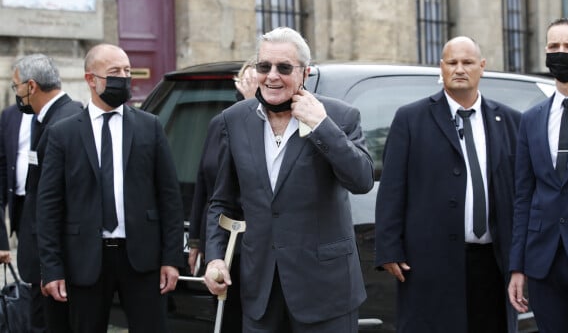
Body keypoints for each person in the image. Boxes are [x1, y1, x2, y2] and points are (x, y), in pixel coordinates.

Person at [203, 27, 374, 333]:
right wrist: (215, 258)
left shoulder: (340, 116)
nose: (272, 76)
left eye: (284, 68)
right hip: (260, 292)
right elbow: (222, 201)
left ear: (305, 73)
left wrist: (321, 125)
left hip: (325, 291)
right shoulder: (235, 119)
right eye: (264, 66)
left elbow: (361, 179)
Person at [375, 36, 521, 333]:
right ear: (441, 67)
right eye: (451, 62)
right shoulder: (411, 119)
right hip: (430, 261)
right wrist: (389, 248)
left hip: (493, 262)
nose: (459, 69)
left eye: (467, 62)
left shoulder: (509, 121)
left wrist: (521, 258)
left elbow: (521, 191)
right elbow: (392, 188)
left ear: (482, 67)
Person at [36, 43, 183, 333]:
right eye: (114, 72)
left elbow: (170, 197)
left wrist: (171, 259)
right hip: (85, 261)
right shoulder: (63, 134)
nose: (124, 78)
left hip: (142, 259)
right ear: (91, 79)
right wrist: (51, 268)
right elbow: (48, 207)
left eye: (127, 71)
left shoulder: (149, 127)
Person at [508, 17, 568, 332]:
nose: (560, 52)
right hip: (543, 263)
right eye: (554, 46)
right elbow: (523, 196)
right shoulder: (531, 119)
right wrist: (518, 267)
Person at [10, 54, 83, 333]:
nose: (17, 94)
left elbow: (58, 202)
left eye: (17, 87)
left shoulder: (62, 123)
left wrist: (49, 265)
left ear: (32, 86)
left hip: (51, 263)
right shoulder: (49, 118)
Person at [187, 56, 258, 333]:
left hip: (253, 240)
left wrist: (253, 103)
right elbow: (205, 183)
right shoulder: (220, 123)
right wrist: (196, 239)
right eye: (248, 79)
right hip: (223, 238)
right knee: (226, 316)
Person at [0, 104, 30, 263]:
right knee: (29, 266)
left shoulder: (66, 111)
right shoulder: (9, 115)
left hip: (49, 203)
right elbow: (3, 167)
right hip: (20, 203)